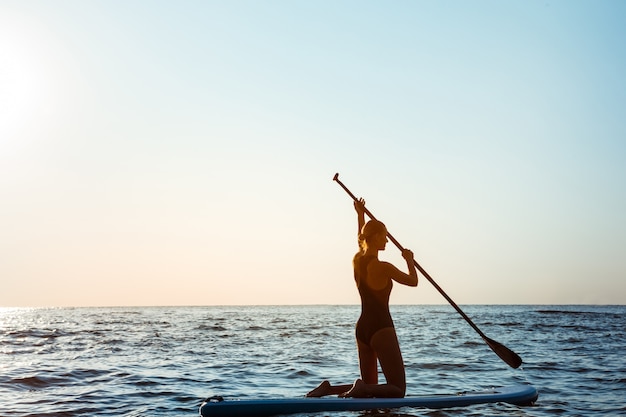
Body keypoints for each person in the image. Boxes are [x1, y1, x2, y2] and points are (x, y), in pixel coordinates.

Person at [306, 198, 418, 398]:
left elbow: (360, 240)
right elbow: (413, 281)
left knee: (369, 386)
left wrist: (360, 214)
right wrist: (410, 260)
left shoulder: (357, 261)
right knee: (398, 389)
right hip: (381, 327)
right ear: (374, 238)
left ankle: (329, 389)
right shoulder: (385, 268)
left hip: (362, 328)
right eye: (384, 236)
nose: (387, 241)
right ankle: (362, 388)